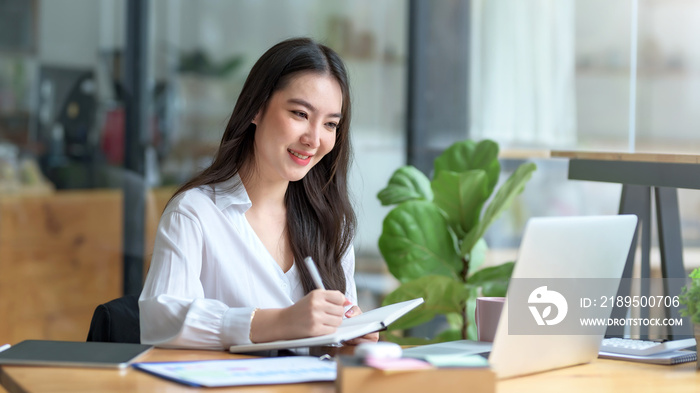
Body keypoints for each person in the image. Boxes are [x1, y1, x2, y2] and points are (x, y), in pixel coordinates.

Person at [139, 37, 379, 349]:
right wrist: (280, 322)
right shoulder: (195, 212)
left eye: (330, 124)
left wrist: (351, 340)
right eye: (300, 114)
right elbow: (161, 319)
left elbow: (331, 351)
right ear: (256, 109)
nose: (314, 139)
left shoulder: (330, 223)